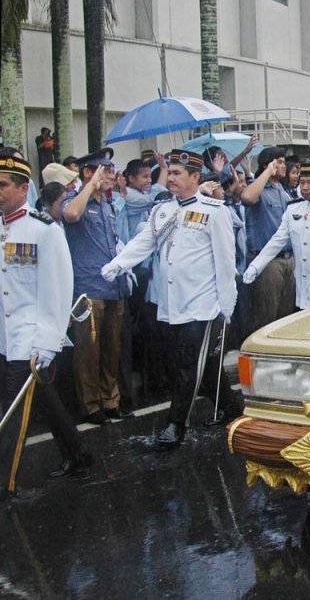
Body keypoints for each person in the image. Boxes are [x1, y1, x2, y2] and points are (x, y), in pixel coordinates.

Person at [101, 149, 236, 448]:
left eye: (177, 173)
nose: (170, 178)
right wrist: (119, 264)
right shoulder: (162, 210)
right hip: (172, 302)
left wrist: (226, 306)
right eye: (170, 172)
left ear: (195, 177)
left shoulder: (215, 212)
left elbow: (226, 263)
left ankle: (176, 425)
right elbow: (144, 242)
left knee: (189, 364)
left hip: (203, 303)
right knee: (197, 364)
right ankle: (232, 407)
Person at [0, 148, 90, 501]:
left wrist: (48, 344)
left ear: (24, 190)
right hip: (5, 339)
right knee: (45, 402)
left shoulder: (44, 231)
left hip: (30, 338)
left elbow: (57, 290)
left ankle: (4, 482)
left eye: (5, 185)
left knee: (11, 411)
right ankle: (77, 453)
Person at [61, 147, 132, 423]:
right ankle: (90, 405)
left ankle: (109, 399)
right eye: (106, 170)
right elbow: (71, 216)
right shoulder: (75, 199)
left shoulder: (108, 204)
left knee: (111, 349)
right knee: (88, 351)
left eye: (112, 169)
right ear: (88, 172)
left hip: (112, 286)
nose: (112, 175)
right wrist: (89, 185)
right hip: (88, 289)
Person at [244, 162, 310, 308]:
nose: (305, 187)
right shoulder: (293, 210)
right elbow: (277, 241)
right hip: (303, 290)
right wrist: (255, 267)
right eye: (302, 183)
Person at [241, 146, 295, 330]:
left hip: (288, 258)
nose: (283, 166)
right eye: (279, 162)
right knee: (266, 316)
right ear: (268, 165)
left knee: (286, 315)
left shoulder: (283, 190)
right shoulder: (259, 189)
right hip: (267, 261)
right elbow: (247, 197)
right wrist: (265, 173)